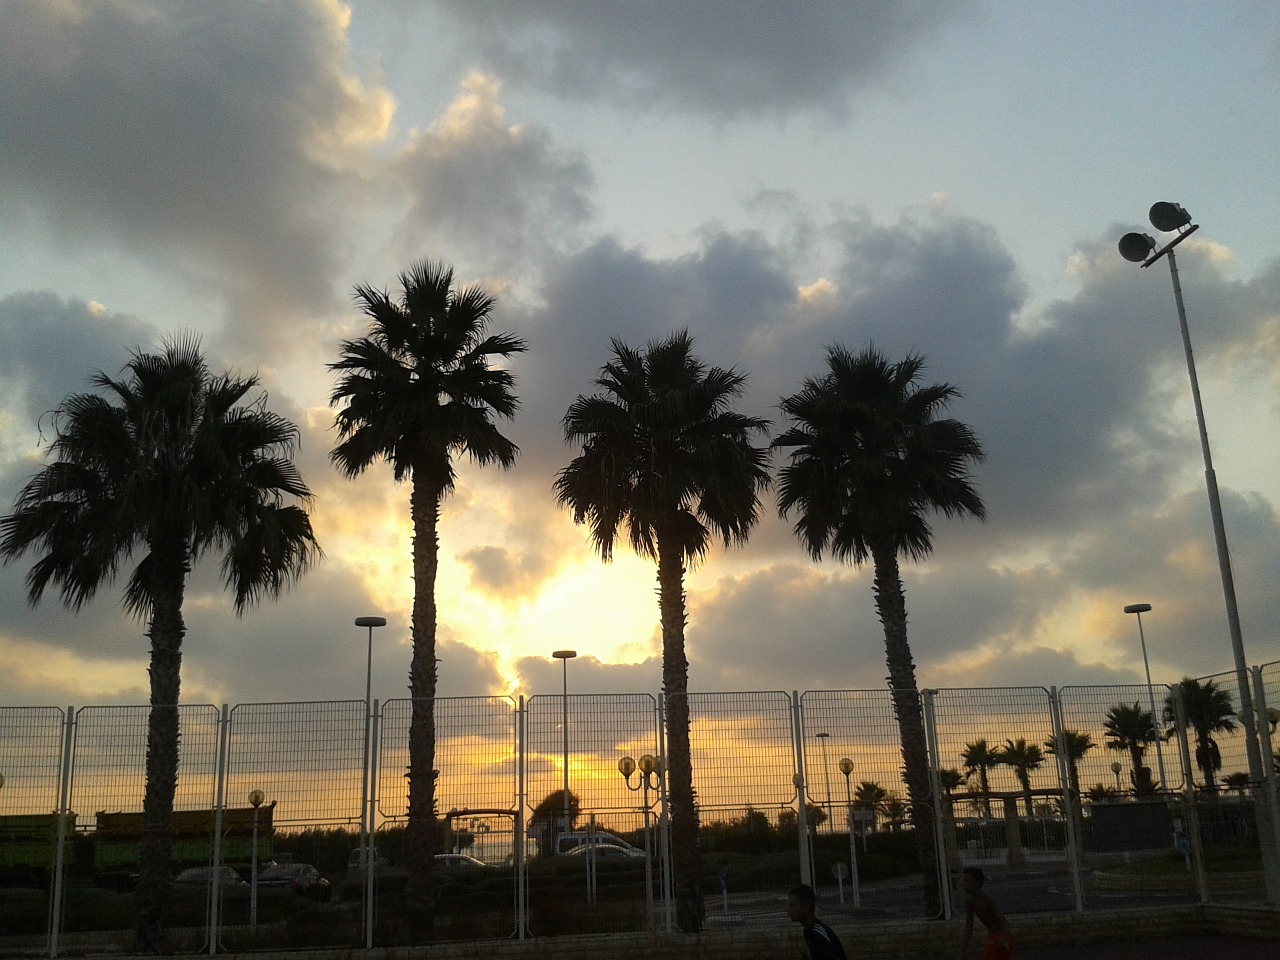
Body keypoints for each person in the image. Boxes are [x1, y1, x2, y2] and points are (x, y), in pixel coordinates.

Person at [957, 867, 1014, 959]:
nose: (964, 884)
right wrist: (961, 953)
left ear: (977, 883)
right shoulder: (969, 901)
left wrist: (1003, 939)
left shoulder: (987, 901)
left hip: (1001, 938)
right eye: (963, 880)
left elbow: (1006, 924)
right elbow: (968, 928)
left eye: (967, 881)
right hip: (993, 937)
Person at [787, 883, 848, 960]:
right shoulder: (808, 930)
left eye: (792, 905)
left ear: (806, 907)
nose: (788, 910)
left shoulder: (818, 934)